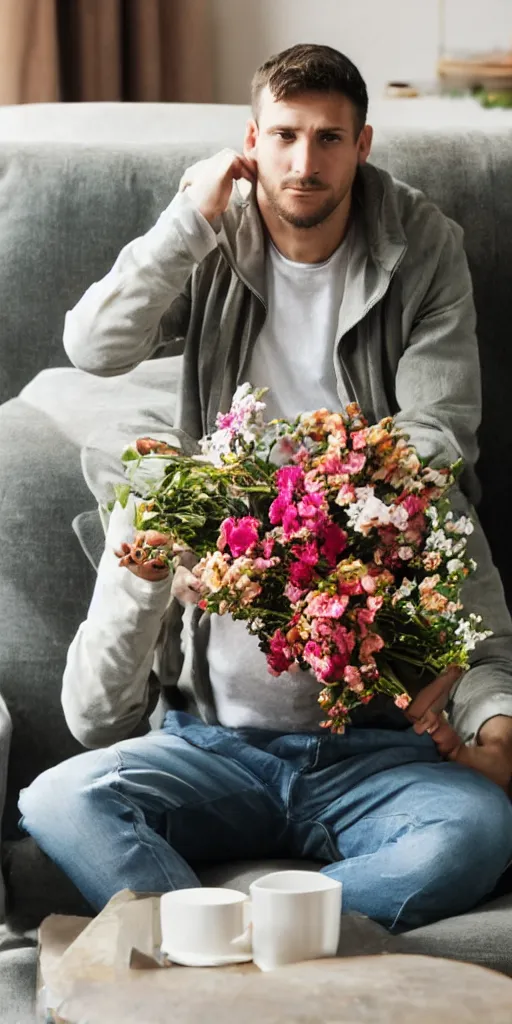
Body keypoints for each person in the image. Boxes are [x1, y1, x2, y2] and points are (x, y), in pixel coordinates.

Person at [18, 44, 512, 932]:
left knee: (474, 831)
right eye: (283, 136)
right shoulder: (174, 502)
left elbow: (440, 440)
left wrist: (492, 719)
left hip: (374, 756)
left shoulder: (422, 253)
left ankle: (216, 950)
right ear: (252, 140)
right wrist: (186, 219)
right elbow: (92, 348)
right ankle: (262, 946)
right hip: (212, 744)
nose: (304, 161)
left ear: (363, 144)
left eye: (328, 138)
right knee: (60, 802)